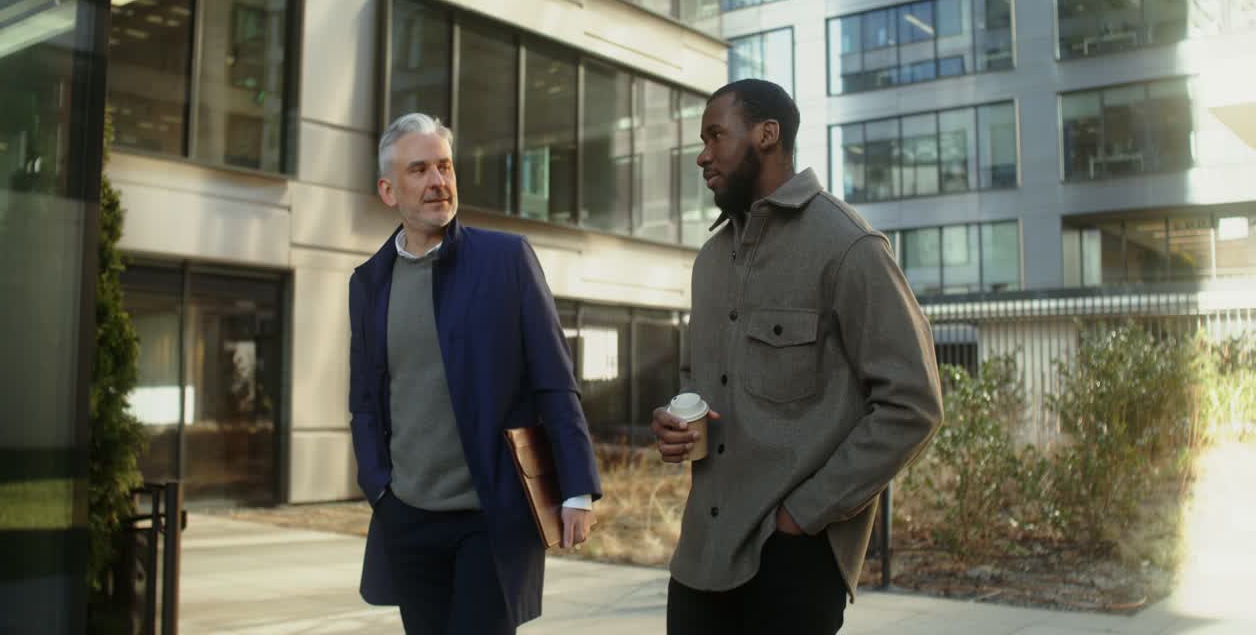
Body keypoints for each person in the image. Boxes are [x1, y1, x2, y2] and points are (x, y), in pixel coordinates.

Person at [651, 80, 943, 635]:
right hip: (700, 558)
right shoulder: (710, 261)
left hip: (790, 561)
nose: (702, 154)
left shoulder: (849, 247)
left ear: (767, 134)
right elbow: (703, 389)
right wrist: (678, 426)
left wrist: (804, 515)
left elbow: (914, 404)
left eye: (716, 135)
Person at [349, 113, 602, 634]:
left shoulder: (506, 259)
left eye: (444, 166)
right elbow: (366, 401)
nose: (438, 182)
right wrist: (380, 488)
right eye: (419, 169)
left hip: (490, 517)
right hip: (408, 517)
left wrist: (577, 488)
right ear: (388, 190)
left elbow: (553, 379)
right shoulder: (369, 281)